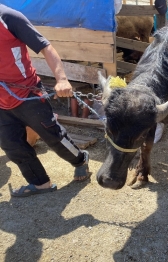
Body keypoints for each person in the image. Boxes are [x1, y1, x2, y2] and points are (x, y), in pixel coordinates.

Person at [0, 4, 90, 197]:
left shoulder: (9, 18)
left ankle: (81, 160)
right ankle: (40, 183)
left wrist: (62, 79)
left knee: (54, 137)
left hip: (28, 93)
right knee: (11, 145)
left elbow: (46, 47)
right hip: (1, 100)